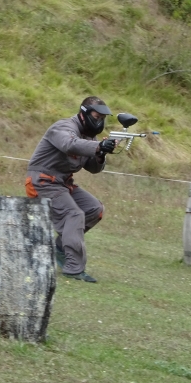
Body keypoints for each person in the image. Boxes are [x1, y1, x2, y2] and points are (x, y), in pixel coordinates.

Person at [25, 96, 119, 283]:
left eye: (102, 118)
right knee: (74, 215)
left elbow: (93, 169)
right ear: (84, 113)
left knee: (94, 209)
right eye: (97, 116)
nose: (99, 121)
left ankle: (60, 247)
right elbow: (69, 144)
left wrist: (101, 153)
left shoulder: (89, 137)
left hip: (62, 183)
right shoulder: (63, 127)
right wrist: (98, 146)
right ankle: (74, 269)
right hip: (42, 182)